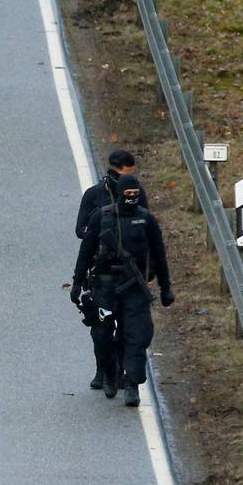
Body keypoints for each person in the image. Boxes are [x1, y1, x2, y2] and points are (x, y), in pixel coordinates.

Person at [72, 176, 173, 406]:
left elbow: (159, 254)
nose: (131, 199)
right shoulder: (102, 217)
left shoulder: (146, 220)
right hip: (105, 286)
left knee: (137, 336)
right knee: (102, 335)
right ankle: (109, 372)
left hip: (135, 288)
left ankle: (132, 384)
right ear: (119, 194)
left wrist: (166, 287)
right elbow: (86, 250)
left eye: (134, 195)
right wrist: (77, 282)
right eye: (127, 194)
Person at [75, 150, 153, 389]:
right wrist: (102, 231)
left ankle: (120, 369)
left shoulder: (137, 195)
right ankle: (103, 369)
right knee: (100, 329)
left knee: (128, 327)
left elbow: (147, 229)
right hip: (101, 270)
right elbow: (80, 230)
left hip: (129, 275)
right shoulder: (94, 195)